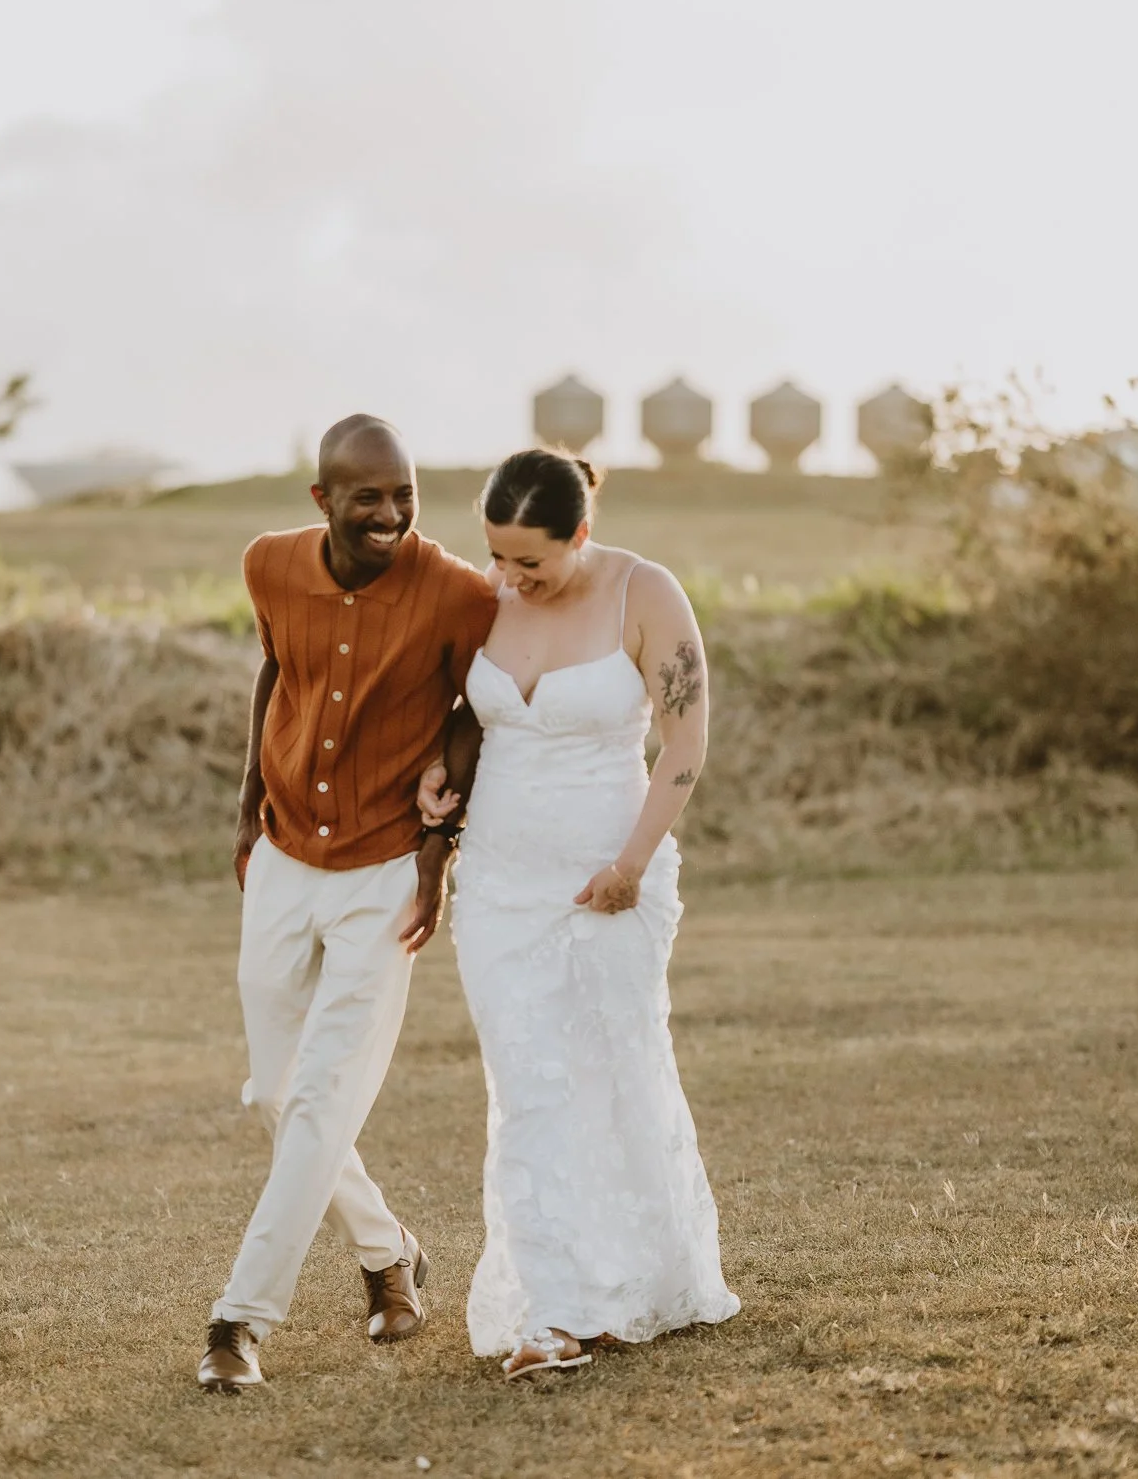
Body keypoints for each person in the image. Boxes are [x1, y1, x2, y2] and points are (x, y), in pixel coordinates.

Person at [419, 447, 740, 1381]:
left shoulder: (645, 592)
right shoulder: (488, 597)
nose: (509, 577)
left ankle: (646, 1274)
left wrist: (631, 863)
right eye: (496, 554)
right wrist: (440, 767)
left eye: (531, 561)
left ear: (582, 534)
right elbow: (470, 710)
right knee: (528, 1083)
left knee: (615, 1069)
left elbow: (686, 738)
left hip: (610, 875)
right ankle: (554, 1308)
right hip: (499, 884)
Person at [196, 414, 499, 1392]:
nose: (391, 515)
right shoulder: (269, 564)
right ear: (322, 499)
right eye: (368, 497)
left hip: (384, 873)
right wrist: (246, 805)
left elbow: (478, 714)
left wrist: (438, 850)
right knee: (273, 1091)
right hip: (283, 854)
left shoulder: (456, 592)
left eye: (405, 495)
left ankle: (239, 1320)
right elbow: (276, 669)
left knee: (323, 1093)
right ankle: (387, 1249)